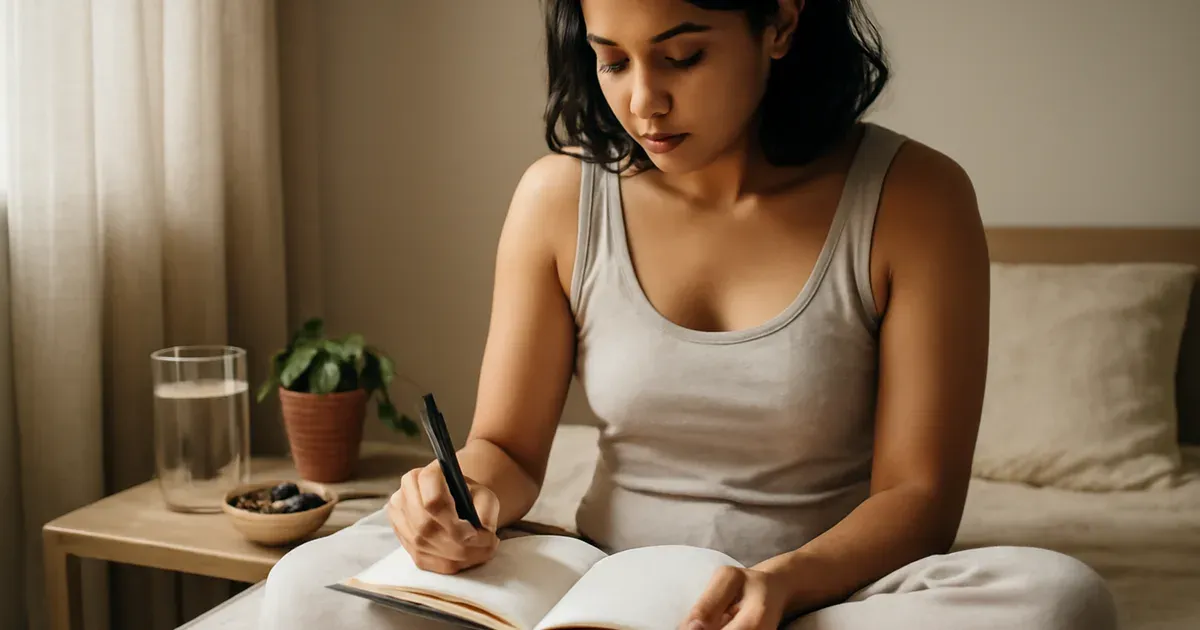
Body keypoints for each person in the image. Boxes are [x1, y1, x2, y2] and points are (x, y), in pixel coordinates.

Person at [259, 1, 1119, 629]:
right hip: (595, 578)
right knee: (303, 590)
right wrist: (464, 493)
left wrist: (781, 586)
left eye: (683, 56)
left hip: (821, 596)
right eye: (612, 59)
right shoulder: (559, 197)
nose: (642, 102)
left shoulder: (915, 197)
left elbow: (920, 498)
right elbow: (511, 451)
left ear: (780, 24)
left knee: (1058, 601)